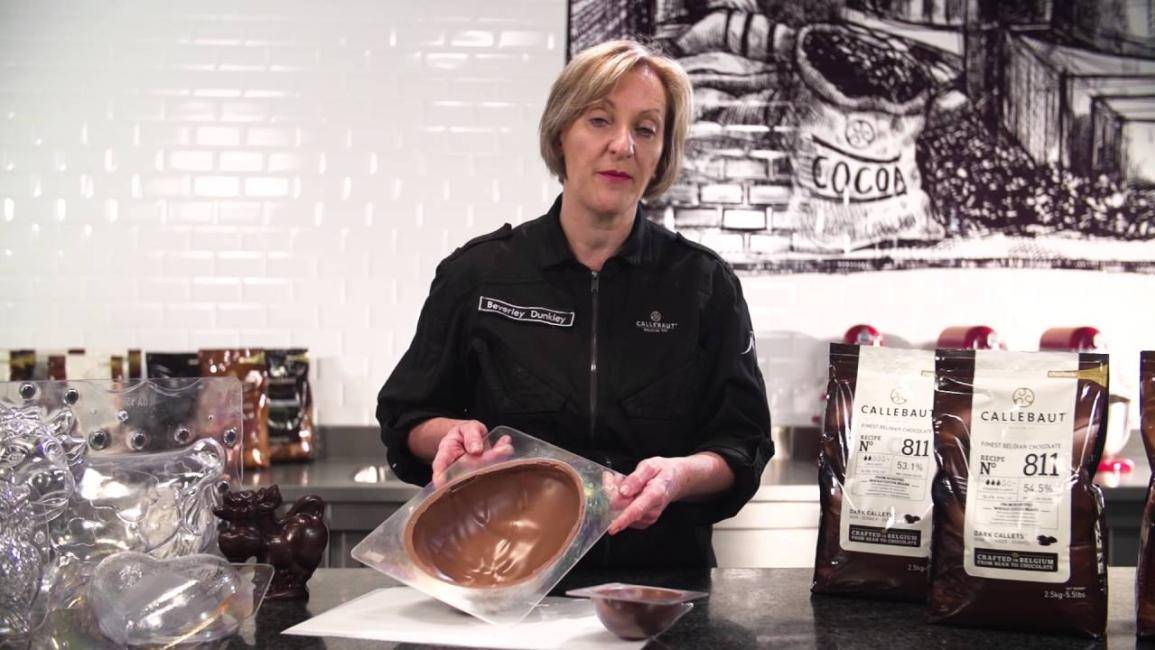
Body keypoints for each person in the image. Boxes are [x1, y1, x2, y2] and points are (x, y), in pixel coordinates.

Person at [377, 39, 772, 569]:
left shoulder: (704, 285)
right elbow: (407, 415)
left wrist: (678, 476)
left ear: (662, 153)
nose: (623, 145)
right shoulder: (477, 274)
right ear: (561, 132)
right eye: (600, 120)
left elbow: (743, 443)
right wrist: (451, 437)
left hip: (656, 587)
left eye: (646, 129)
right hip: (503, 576)